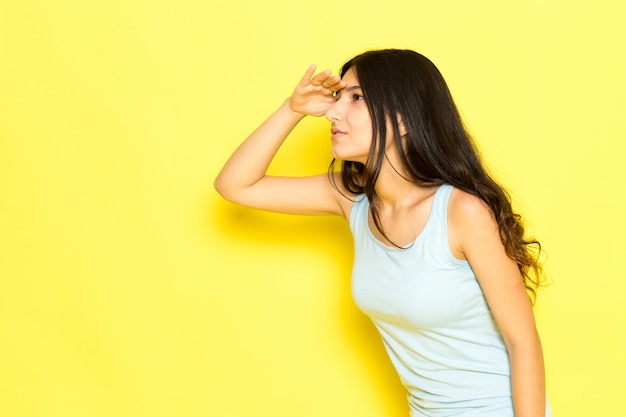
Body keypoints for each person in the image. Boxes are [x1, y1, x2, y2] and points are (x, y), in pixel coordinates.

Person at [214, 49, 550, 417]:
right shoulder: (352, 199)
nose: (332, 112)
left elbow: (523, 342)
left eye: (356, 97)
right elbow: (235, 185)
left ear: (403, 119)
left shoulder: (462, 212)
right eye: (338, 97)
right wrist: (291, 109)